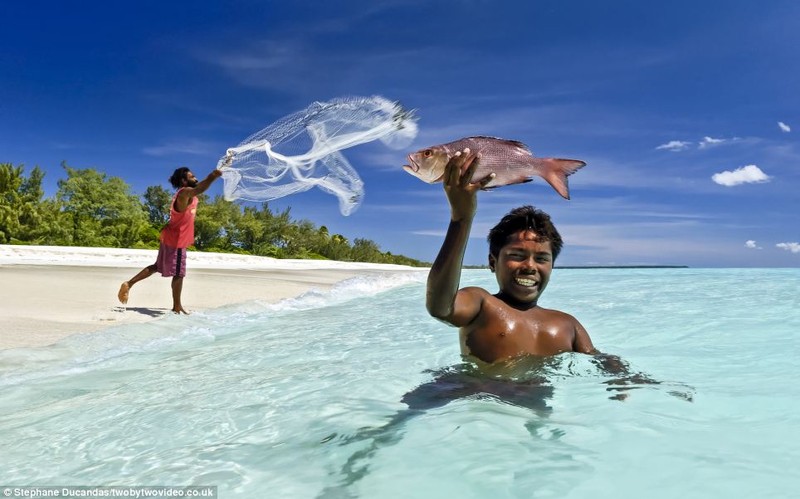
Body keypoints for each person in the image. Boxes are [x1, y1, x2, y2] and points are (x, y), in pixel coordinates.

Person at [426, 148, 598, 363]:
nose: (530, 266)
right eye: (517, 255)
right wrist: (461, 219)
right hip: (477, 395)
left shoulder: (567, 324)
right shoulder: (482, 304)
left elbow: (602, 362)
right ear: (492, 261)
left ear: (552, 266)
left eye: (542, 259)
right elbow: (440, 308)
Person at [117, 165, 223, 314]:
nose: (196, 178)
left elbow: (198, 188)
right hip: (176, 239)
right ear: (183, 181)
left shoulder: (187, 195)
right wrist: (213, 176)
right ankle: (177, 307)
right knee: (179, 273)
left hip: (170, 236)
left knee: (157, 266)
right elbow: (199, 189)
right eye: (192, 177)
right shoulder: (184, 193)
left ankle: (129, 284)